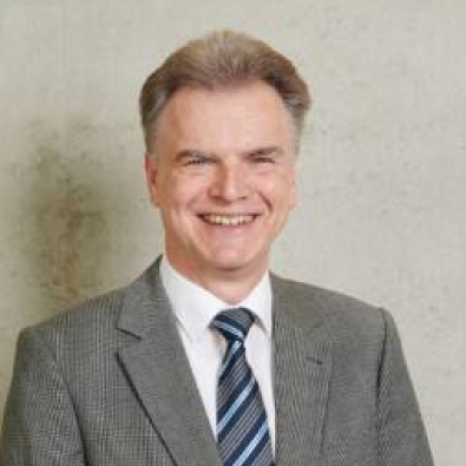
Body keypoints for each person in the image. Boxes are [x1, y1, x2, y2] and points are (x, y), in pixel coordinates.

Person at [0, 30, 434, 466]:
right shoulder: (62, 360)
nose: (230, 190)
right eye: (198, 161)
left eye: (260, 159)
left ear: (291, 177)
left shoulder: (364, 342)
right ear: (154, 179)